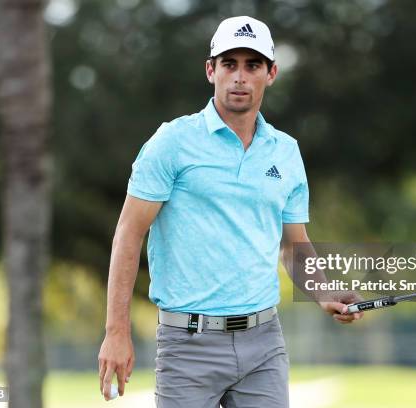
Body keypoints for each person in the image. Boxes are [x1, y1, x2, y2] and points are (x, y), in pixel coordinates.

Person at [98, 15, 364, 407]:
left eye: (252, 65)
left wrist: (325, 292)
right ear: (211, 70)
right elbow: (129, 233)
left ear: (271, 73)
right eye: (230, 64)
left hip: (264, 343)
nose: (240, 77)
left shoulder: (286, 152)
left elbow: (293, 245)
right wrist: (116, 330)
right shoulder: (172, 142)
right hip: (188, 346)